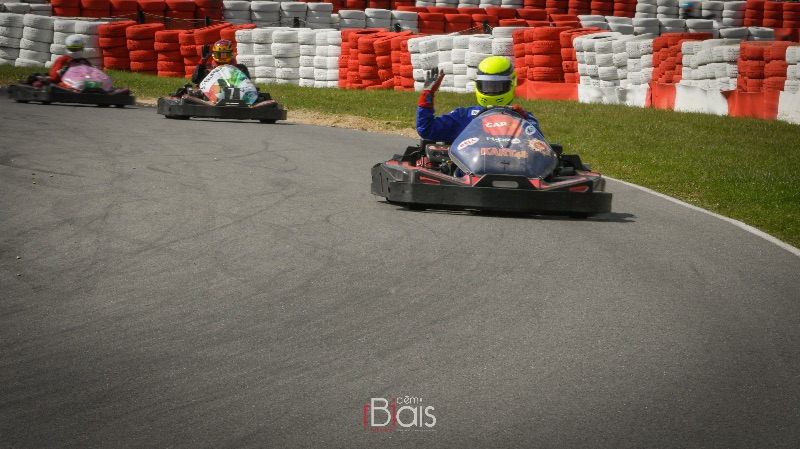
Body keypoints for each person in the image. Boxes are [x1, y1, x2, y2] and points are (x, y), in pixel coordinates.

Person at [416, 56, 543, 143]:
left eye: (497, 86)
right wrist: (427, 94)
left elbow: (538, 145)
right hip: (470, 170)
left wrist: (524, 120)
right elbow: (426, 130)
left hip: (514, 168)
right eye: (487, 86)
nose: (492, 91)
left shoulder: (523, 117)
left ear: (511, 84)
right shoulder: (464, 116)